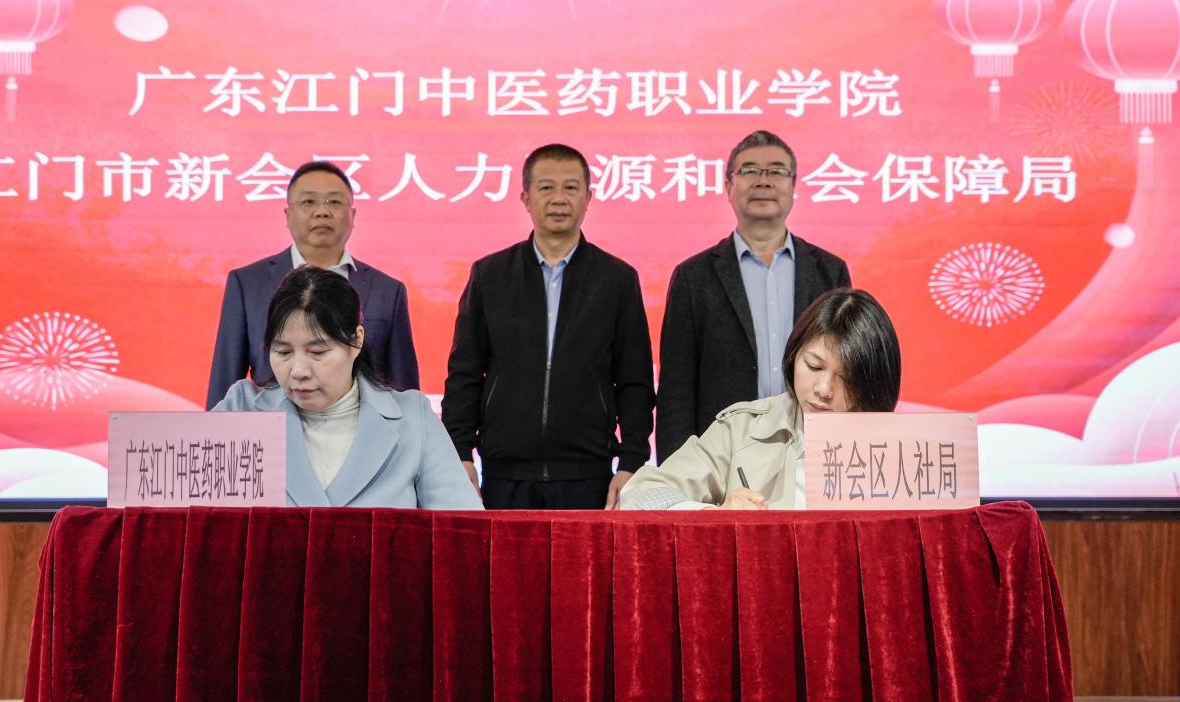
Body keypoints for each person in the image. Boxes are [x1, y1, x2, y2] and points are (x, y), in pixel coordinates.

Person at [441, 143, 655, 509]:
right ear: (525, 198)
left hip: (588, 474)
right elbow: (465, 373)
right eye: (546, 187)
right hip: (505, 474)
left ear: (588, 198)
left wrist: (632, 461)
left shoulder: (616, 279)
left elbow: (634, 381)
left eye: (571, 188)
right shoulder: (490, 275)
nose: (559, 198)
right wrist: (459, 452)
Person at [212, 266, 481, 509]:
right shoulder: (241, 411)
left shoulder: (414, 421)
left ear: (356, 340)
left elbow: (461, 529)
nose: (298, 371)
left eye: (317, 352)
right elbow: (192, 521)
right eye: (283, 352)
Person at [655, 130, 851, 462]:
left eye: (776, 171)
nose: (763, 180)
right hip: (723, 456)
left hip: (811, 451)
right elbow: (677, 388)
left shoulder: (829, 271)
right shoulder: (693, 276)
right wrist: (676, 472)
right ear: (728, 187)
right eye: (748, 170)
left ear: (793, 186)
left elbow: (848, 370)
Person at [621, 288, 900, 510]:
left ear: (874, 382)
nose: (824, 389)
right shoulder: (742, 428)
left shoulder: (901, 447)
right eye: (814, 367)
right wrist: (713, 514)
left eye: (846, 378)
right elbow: (640, 494)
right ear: (794, 356)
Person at [205, 160, 420, 409]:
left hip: (363, 429)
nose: (322, 211)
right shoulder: (247, 284)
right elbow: (225, 382)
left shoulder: (388, 291)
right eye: (309, 201)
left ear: (352, 215)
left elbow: (403, 391)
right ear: (288, 215)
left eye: (334, 202)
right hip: (275, 427)